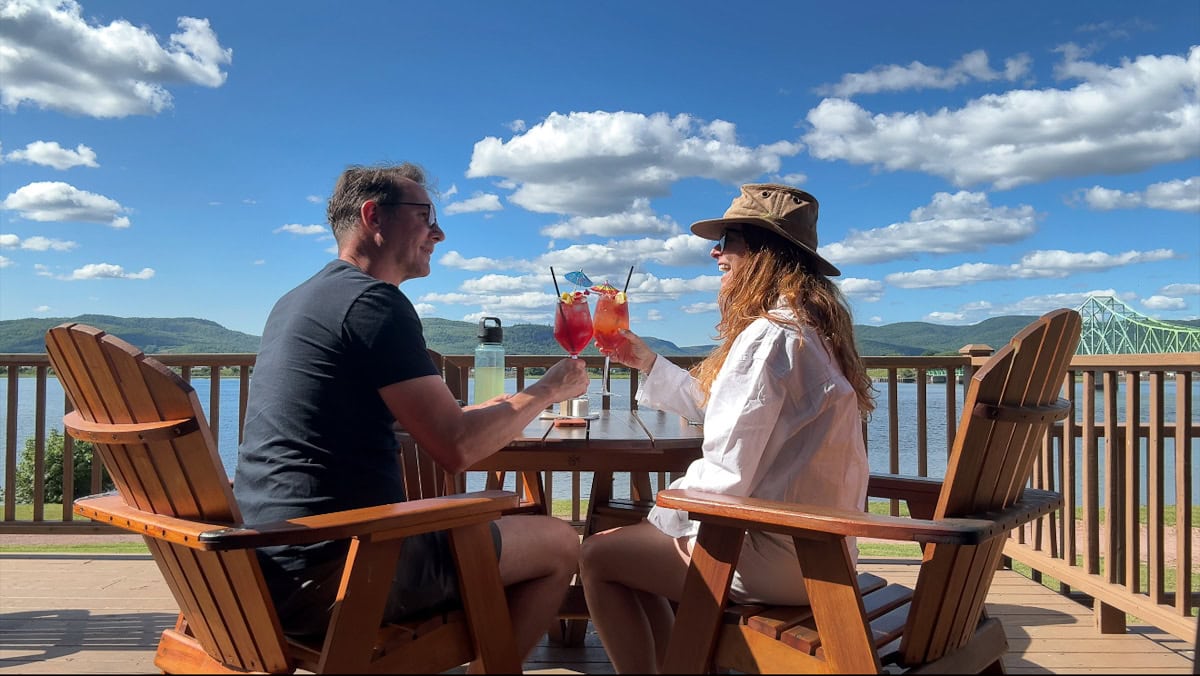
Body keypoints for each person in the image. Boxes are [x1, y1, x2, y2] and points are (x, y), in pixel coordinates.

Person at [233, 162, 589, 665]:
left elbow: (398, 415)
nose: (439, 233)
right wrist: (549, 389)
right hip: (345, 569)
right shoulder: (374, 303)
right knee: (557, 543)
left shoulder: (300, 301)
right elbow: (457, 448)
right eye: (425, 216)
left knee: (489, 539)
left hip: (261, 561)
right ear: (373, 216)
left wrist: (493, 407)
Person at [579, 183, 876, 673]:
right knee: (634, 552)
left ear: (764, 252)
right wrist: (648, 361)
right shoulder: (807, 331)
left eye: (729, 238)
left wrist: (663, 512)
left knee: (597, 556)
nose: (715, 250)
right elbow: (729, 410)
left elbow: (725, 475)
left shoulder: (769, 336)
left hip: (775, 556)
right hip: (821, 551)